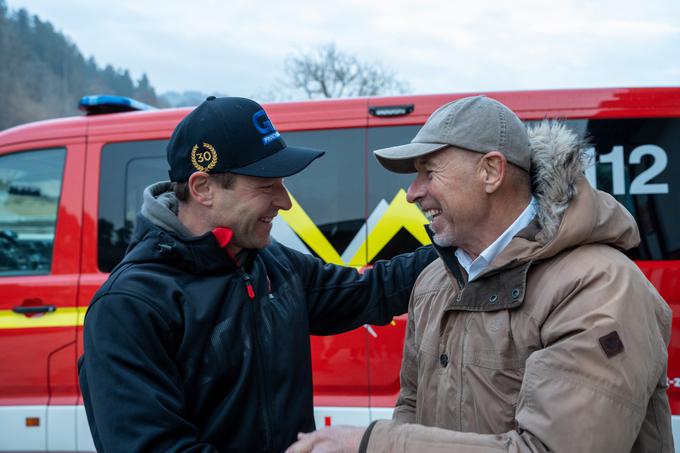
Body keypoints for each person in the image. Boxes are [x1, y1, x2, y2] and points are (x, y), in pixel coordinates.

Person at [285, 96, 673, 453]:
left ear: (491, 171)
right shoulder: (434, 282)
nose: (411, 193)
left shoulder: (599, 286)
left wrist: (374, 445)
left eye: (428, 171)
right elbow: (411, 408)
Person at [77, 96, 436, 452]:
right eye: (266, 186)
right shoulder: (129, 306)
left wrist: (461, 243)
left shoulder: (270, 262)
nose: (285, 202)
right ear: (204, 189)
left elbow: (371, 291)